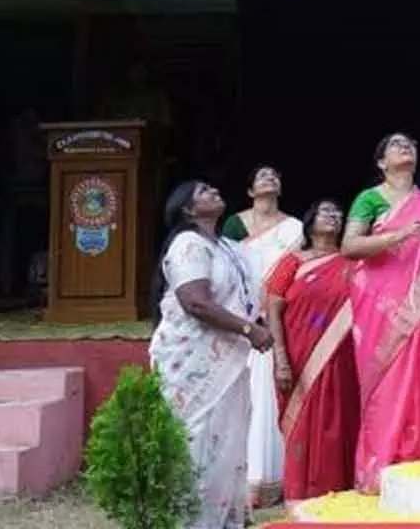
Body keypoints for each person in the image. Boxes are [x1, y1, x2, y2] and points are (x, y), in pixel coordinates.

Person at [149, 180, 273, 529]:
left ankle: (226, 519)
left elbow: (243, 299)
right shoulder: (188, 244)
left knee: (227, 443)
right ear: (188, 209)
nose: (215, 191)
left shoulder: (231, 248)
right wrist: (249, 330)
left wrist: (255, 322)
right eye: (203, 190)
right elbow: (196, 303)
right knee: (195, 442)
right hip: (192, 361)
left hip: (229, 359)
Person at [342, 132, 420, 493]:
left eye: (411, 143)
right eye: (395, 144)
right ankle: (382, 473)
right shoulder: (370, 200)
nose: (406, 146)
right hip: (380, 309)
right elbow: (350, 246)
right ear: (381, 162)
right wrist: (399, 235)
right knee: (384, 389)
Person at [264, 199, 361, 505]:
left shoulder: (354, 262)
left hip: (343, 358)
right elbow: (272, 308)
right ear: (310, 222)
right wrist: (280, 357)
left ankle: (339, 491)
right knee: (303, 420)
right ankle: (301, 493)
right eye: (325, 211)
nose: (334, 216)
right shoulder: (293, 261)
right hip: (298, 355)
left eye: (338, 212)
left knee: (340, 420)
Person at [220, 165, 303, 508]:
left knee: (273, 396)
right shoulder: (234, 225)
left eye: (275, 175)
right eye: (262, 176)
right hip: (244, 319)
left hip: (280, 319)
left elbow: (294, 275)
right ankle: (244, 477)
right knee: (246, 397)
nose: (270, 178)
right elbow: (227, 268)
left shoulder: (294, 228)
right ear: (251, 190)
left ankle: (278, 476)